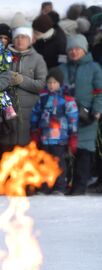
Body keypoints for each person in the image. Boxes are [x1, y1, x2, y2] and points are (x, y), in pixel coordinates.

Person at [59, 34, 102, 195]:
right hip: (65, 119)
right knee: (66, 153)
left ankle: (79, 186)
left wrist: (97, 110)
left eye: (77, 49)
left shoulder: (94, 68)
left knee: (84, 152)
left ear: (84, 50)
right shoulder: (62, 69)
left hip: (88, 118)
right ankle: (65, 184)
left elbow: (100, 92)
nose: (74, 52)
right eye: (71, 49)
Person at [30, 67, 78, 194]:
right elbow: (36, 113)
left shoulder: (67, 99)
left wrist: (73, 135)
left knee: (59, 163)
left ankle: (59, 186)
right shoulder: (43, 97)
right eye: (49, 82)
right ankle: (45, 186)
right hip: (45, 137)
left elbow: (73, 117)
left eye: (54, 83)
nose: (51, 85)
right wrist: (35, 130)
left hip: (60, 138)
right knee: (44, 162)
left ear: (60, 83)